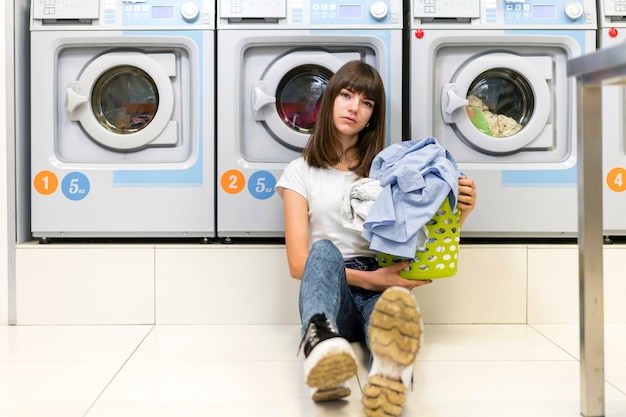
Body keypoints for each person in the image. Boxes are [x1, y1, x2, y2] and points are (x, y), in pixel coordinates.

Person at [275, 60, 476, 416]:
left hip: (382, 272)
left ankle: (390, 371)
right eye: (347, 95)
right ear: (330, 100)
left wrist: (461, 211)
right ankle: (321, 343)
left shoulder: (388, 170)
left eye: (367, 103)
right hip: (332, 283)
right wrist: (372, 280)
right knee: (323, 250)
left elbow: (423, 236)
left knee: (387, 319)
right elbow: (298, 263)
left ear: (373, 116)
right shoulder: (299, 171)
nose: (354, 107)